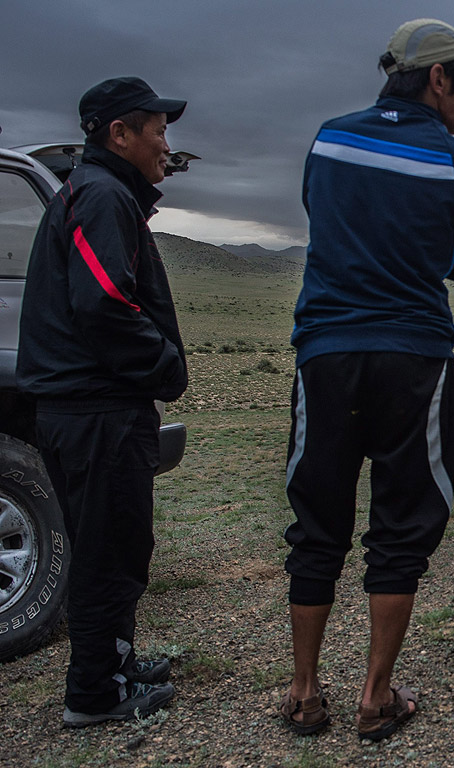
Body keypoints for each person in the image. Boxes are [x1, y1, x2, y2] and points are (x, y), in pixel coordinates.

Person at [281, 19, 454, 740]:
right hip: (413, 356)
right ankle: (376, 698)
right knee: (401, 526)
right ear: (439, 78)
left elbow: (326, 219)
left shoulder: (328, 137)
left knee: (317, 524)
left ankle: (305, 690)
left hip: (327, 351)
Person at [17, 77, 189, 726]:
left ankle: (115, 663)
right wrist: (165, 365)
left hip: (97, 409)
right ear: (119, 133)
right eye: (157, 130)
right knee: (106, 552)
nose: (164, 145)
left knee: (118, 543)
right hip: (95, 413)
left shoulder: (102, 194)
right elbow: (105, 304)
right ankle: (95, 694)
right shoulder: (100, 196)